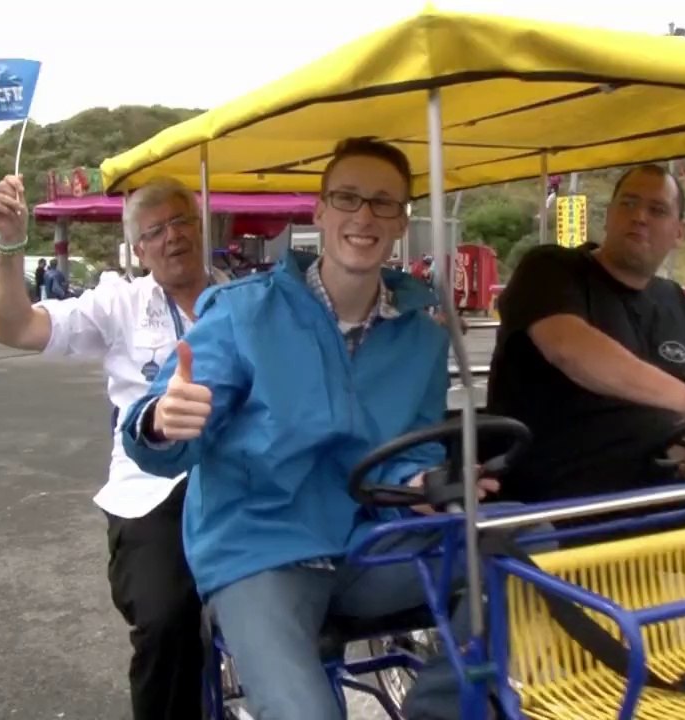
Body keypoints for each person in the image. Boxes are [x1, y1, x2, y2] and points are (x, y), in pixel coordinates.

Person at [120, 138, 510, 720]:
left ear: (403, 220)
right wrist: (160, 420)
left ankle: (434, 708)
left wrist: (427, 478)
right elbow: (167, 431)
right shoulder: (242, 311)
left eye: (383, 203)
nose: (364, 216)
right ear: (320, 211)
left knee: (523, 537)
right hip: (261, 550)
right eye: (347, 197)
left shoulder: (422, 338)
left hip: (370, 547)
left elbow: (410, 449)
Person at [0, 174, 228, 720]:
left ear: (201, 226)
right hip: (153, 491)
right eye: (155, 230)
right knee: (167, 619)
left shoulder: (242, 299)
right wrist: (9, 246)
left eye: (182, 222)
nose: (172, 237)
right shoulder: (118, 303)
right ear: (138, 249)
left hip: (239, 478)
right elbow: (14, 327)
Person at [487, 164, 685, 509]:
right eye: (628, 204)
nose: (639, 217)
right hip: (559, 499)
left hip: (660, 490)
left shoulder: (676, 301)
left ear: (679, 232)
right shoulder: (550, 269)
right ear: (608, 217)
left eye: (657, 209)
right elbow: (570, 349)